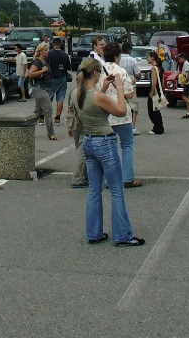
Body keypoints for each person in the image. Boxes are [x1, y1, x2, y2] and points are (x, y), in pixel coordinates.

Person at [68, 58, 144, 247]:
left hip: (88, 141)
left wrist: (103, 87)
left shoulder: (76, 93)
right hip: (104, 142)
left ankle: (93, 233)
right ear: (95, 74)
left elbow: (95, 102)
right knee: (117, 189)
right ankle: (123, 235)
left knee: (94, 189)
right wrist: (119, 87)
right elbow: (121, 111)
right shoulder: (97, 96)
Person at [102, 44, 139, 187]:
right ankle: (127, 178)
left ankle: (109, 179)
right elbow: (129, 94)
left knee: (109, 147)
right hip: (122, 113)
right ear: (117, 56)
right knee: (127, 144)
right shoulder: (121, 72)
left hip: (106, 113)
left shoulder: (99, 71)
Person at [28, 45, 57, 140]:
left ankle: (27, 129)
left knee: (37, 112)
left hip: (45, 88)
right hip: (39, 89)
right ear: (40, 52)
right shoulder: (36, 62)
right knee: (48, 110)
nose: (47, 51)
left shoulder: (45, 61)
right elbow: (31, 74)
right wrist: (42, 70)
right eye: (45, 50)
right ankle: (51, 134)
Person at [117, 45, 142, 134]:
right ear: (129, 51)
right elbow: (138, 74)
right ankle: (133, 126)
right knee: (134, 107)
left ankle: (121, 125)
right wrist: (136, 77)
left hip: (119, 85)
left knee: (121, 105)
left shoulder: (118, 60)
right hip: (131, 85)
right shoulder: (132, 60)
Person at [46, 37, 71, 124]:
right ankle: (57, 118)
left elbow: (46, 65)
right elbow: (68, 67)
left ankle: (43, 116)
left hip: (52, 78)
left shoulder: (49, 54)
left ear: (53, 44)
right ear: (60, 45)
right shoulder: (65, 55)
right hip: (62, 78)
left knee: (48, 98)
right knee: (60, 98)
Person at [145, 51, 165, 135]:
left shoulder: (153, 68)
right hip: (159, 91)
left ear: (152, 58)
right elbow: (162, 81)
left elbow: (154, 82)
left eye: (148, 57)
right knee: (156, 110)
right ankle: (159, 127)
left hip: (154, 91)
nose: (147, 59)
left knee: (152, 111)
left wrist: (152, 92)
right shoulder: (160, 67)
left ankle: (157, 128)